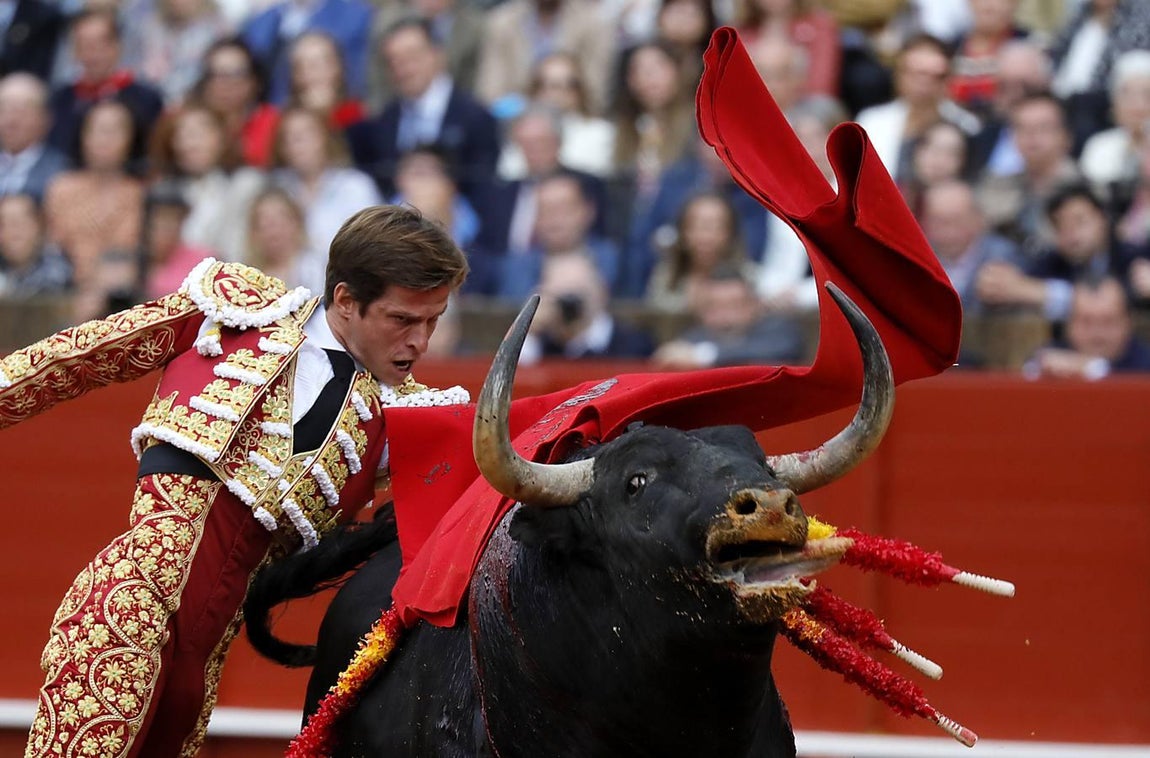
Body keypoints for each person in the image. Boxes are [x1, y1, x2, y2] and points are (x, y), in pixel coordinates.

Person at [6, 204, 470, 758]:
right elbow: (73, 359)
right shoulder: (232, 312)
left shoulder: (404, 417)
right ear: (345, 300)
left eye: (433, 321)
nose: (420, 342)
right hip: (123, 615)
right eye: (403, 320)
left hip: (202, 669)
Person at [651, 264, 806, 369]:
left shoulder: (779, 332)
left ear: (754, 305)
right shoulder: (694, 337)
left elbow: (774, 353)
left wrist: (704, 356)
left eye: (734, 305)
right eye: (714, 307)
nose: (725, 317)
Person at [518, 251, 654, 364]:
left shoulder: (633, 345)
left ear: (601, 292)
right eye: (561, 297)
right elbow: (516, 381)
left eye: (576, 294)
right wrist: (529, 331)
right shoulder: (543, 346)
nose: (570, 307)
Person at [1023, 275, 1150, 379]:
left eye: (1108, 322)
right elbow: (1029, 372)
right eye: (1086, 322)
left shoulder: (1145, 362)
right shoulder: (1055, 354)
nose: (1097, 333)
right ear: (1069, 324)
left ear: (1128, 323)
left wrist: (1092, 368)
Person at [0, 73, 71, 201]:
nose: (11, 121)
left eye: (21, 111)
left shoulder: (62, 172)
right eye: (3, 110)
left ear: (45, 119)